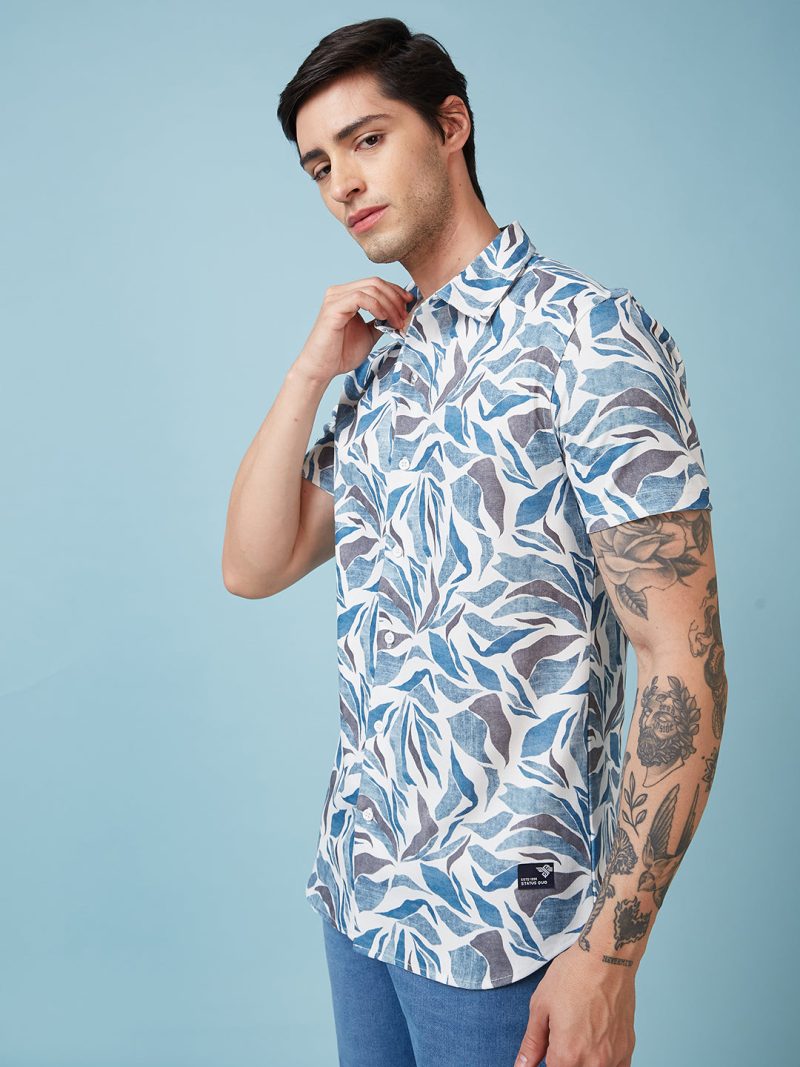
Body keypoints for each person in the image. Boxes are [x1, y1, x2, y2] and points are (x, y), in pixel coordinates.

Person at [222, 16, 728, 1067]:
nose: (342, 184)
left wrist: (611, 953)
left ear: (450, 125)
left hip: (507, 926)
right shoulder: (380, 361)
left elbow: (682, 660)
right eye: (318, 165)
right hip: (362, 892)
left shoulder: (588, 336)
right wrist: (310, 370)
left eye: (366, 140)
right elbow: (253, 564)